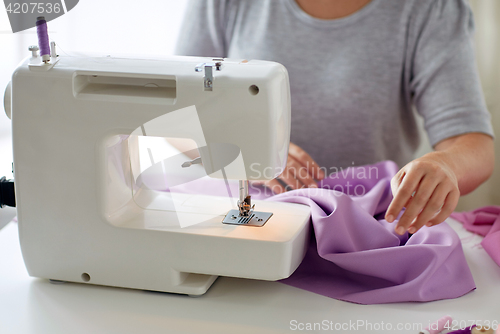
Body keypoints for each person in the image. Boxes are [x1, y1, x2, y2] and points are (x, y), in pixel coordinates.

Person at [175, 0, 495, 235]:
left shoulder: (432, 10)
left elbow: (472, 144)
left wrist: (446, 165)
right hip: (247, 218)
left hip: (368, 224)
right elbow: (176, 121)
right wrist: (247, 153)